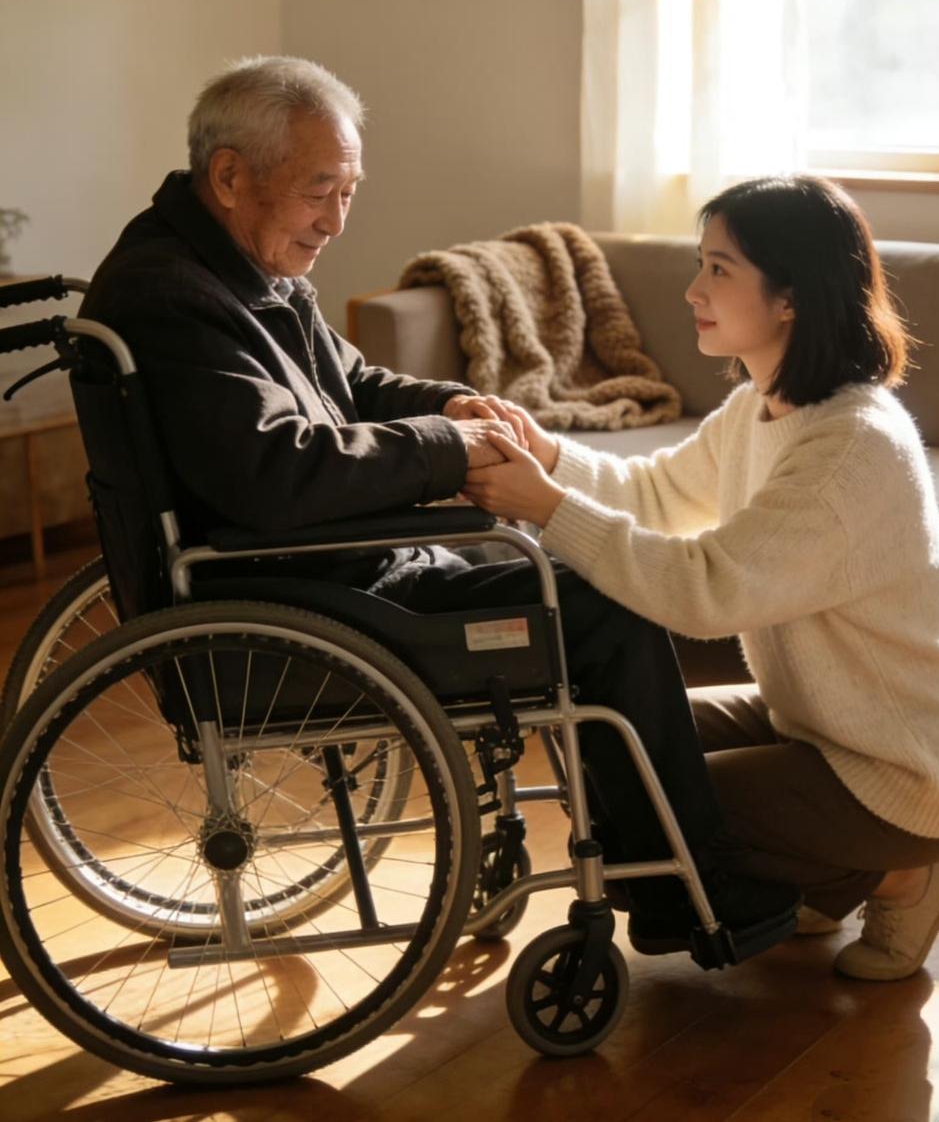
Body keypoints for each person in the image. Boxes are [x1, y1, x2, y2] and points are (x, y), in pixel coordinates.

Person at [80, 54, 800, 957]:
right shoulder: (174, 297)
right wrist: (446, 451)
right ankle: (689, 885)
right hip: (298, 600)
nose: (337, 220)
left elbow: (353, 386)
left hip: (327, 569)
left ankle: (649, 858)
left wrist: (447, 404)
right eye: (320, 191)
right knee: (605, 605)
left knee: (560, 571)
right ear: (229, 175)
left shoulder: (233, 268)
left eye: (349, 190)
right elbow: (274, 471)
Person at [463, 174, 939, 981]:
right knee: (614, 739)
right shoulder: (765, 407)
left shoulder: (850, 449)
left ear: (789, 297)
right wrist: (547, 455)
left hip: (906, 770)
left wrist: (547, 508)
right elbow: (655, 494)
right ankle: (825, 868)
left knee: (661, 810)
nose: (693, 290)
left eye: (719, 269)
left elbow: (706, 590)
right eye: (701, 264)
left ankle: (903, 877)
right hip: (821, 724)